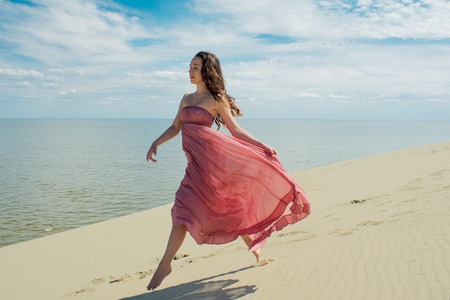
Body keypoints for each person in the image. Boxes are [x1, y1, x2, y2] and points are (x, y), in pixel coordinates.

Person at [146, 51, 311, 291]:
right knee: (182, 209)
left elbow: (235, 130)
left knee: (230, 210)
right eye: (189, 67)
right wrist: (156, 142)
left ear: (206, 71)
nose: (190, 71)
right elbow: (175, 127)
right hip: (194, 167)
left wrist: (263, 146)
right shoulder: (185, 98)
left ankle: (253, 246)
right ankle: (166, 264)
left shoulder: (216, 98)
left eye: (195, 67)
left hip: (213, 165)